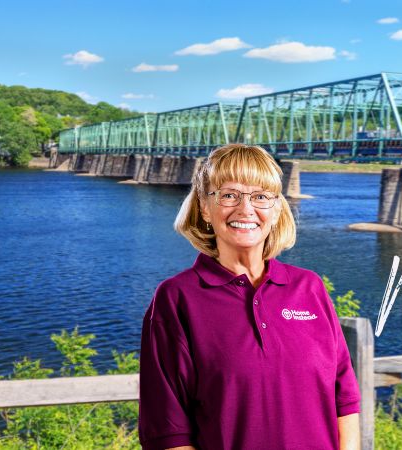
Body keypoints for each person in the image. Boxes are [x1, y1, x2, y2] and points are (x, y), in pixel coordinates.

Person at [138, 144, 361, 450]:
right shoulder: (176, 299)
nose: (246, 210)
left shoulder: (309, 288)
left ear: (276, 208)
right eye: (229, 195)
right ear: (205, 206)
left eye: (260, 197)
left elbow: (345, 398)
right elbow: (166, 430)